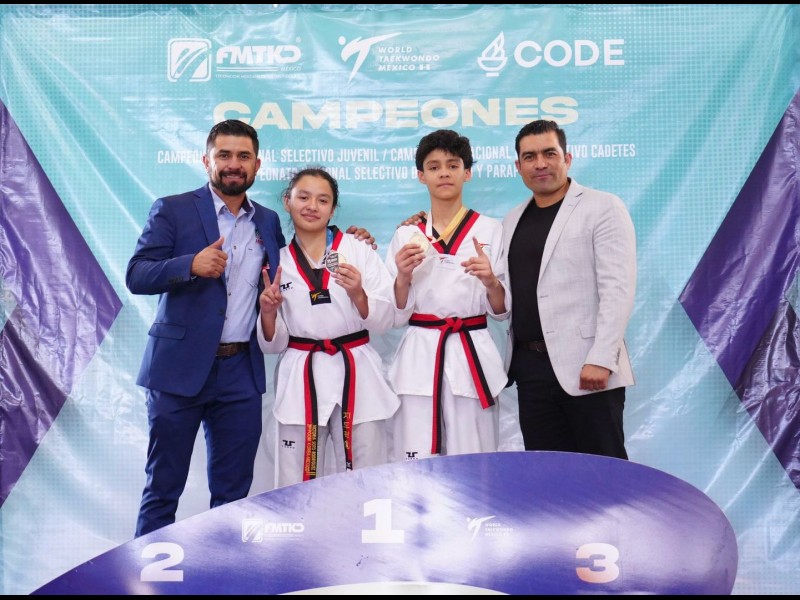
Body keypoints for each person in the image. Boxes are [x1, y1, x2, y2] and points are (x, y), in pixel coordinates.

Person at [127, 120, 373, 537]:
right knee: (163, 485)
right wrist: (189, 265)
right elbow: (137, 274)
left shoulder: (268, 221)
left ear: (257, 165)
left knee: (233, 493)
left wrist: (350, 240)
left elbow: (304, 255)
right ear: (207, 160)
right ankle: (146, 567)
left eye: (243, 156)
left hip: (240, 372)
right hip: (177, 370)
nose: (233, 164)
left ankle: (225, 567)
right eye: (224, 155)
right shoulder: (172, 209)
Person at [503, 119, 636, 459]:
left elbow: (618, 289)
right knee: (548, 478)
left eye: (549, 153)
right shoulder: (512, 219)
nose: (540, 163)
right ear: (518, 166)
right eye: (530, 157)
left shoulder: (602, 207)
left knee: (603, 475)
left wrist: (602, 359)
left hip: (587, 368)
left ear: (568, 158)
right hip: (530, 371)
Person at [257, 167, 399, 487]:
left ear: (333, 209)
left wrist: (358, 294)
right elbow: (274, 343)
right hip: (301, 373)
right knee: (295, 478)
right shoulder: (277, 260)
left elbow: (386, 319)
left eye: (323, 200)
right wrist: (267, 313)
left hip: (357, 368)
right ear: (287, 201)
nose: (312, 206)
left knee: (366, 473)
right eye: (303, 197)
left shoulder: (358, 250)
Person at [385, 129, 510, 462]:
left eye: (453, 165)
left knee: (475, 459)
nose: (444, 173)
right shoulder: (406, 235)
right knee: (415, 456)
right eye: (434, 166)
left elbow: (501, 311)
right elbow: (395, 312)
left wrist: (490, 282)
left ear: (467, 173)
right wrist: (402, 276)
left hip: (471, 351)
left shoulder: (491, 229)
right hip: (420, 353)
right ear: (420, 175)